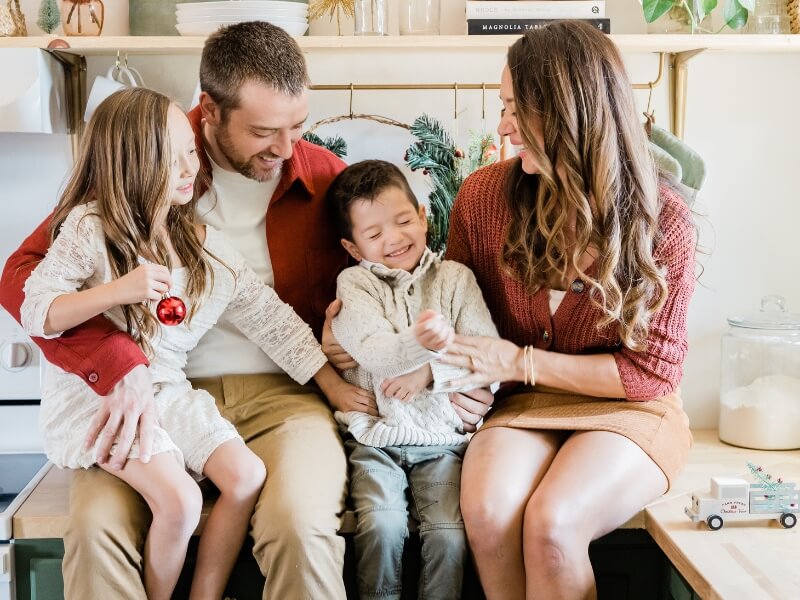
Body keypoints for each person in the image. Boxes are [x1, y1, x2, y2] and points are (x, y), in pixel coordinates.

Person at [0, 21, 374, 600]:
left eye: (297, 126)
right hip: (143, 394)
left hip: (284, 399)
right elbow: (23, 284)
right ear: (210, 112)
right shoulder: (143, 163)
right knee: (96, 530)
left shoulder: (325, 178)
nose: (285, 147)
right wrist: (118, 363)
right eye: (263, 130)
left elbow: (361, 288)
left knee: (299, 526)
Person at [433, 22, 697, 599]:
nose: (502, 126)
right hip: (521, 405)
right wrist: (459, 380)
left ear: (569, 113)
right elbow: (454, 315)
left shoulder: (663, 223)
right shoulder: (481, 198)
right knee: (487, 508)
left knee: (553, 524)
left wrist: (520, 362)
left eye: (514, 108)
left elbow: (650, 374)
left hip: (631, 411)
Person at [326, 160, 498, 600]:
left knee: (448, 536)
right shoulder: (355, 285)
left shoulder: (456, 280)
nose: (394, 238)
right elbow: (374, 351)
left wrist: (431, 371)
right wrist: (423, 342)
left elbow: (490, 358)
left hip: (443, 440)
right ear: (351, 245)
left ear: (423, 217)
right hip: (376, 439)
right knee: (381, 527)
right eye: (374, 234)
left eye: (403, 221)